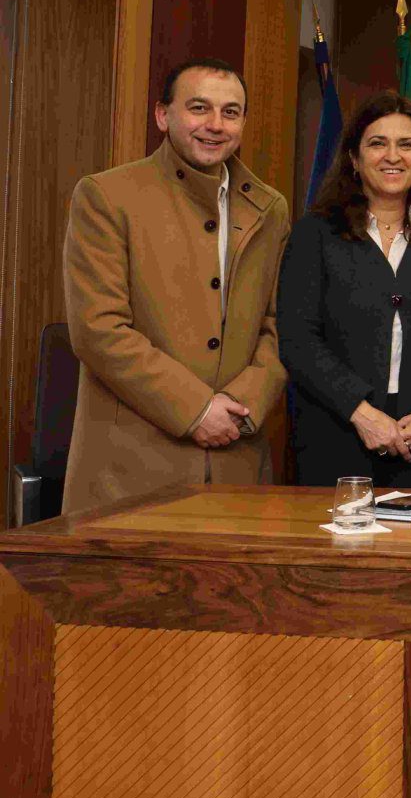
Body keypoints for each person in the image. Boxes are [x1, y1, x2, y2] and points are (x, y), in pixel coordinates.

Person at [61, 58, 290, 514]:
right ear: (163, 115)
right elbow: (98, 330)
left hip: (238, 462)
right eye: (199, 108)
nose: (215, 125)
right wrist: (195, 409)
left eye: (230, 112)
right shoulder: (107, 196)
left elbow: (279, 324)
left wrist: (240, 406)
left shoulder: (270, 208)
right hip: (129, 469)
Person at [278, 91, 411, 488]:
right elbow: (298, 340)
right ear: (354, 159)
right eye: (378, 143)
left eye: (406, 145)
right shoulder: (315, 234)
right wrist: (360, 412)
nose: (393, 156)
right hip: (336, 439)